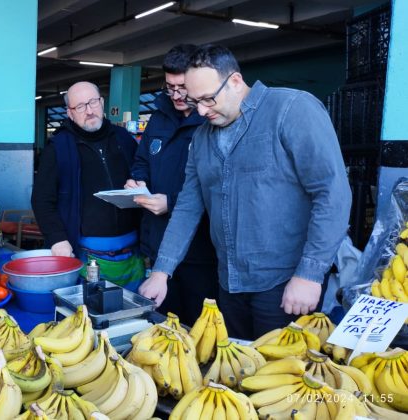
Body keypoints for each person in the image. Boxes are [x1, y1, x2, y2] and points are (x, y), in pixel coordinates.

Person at [138, 45, 351, 339]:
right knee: (237, 372)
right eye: (194, 100)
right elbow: (188, 208)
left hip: (285, 283)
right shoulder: (202, 138)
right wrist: (162, 272)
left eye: (207, 99)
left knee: (279, 375)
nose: (200, 110)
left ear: (235, 81)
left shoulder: (291, 109)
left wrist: (310, 274)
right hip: (228, 283)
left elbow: (332, 194)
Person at [125, 45, 218, 326]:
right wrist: (139, 181)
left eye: (182, 87)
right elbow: (142, 159)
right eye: (169, 87)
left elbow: (218, 187)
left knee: (197, 327)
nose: (176, 96)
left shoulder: (213, 119)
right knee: (161, 323)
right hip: (158, 242)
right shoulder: (158, 117)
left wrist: (171, 203)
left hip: (200, 252)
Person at [31, 81, 145, 291]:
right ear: (69, 113)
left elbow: (141, 174)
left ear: (102, 103)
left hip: (132, 252)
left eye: (93, 102)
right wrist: (57, 239)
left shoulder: (124, 139)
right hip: (85, 252)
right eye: (80, 107)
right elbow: (42, 199)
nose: (89, 111)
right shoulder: (58, 147)